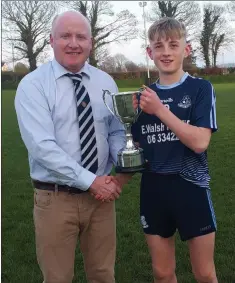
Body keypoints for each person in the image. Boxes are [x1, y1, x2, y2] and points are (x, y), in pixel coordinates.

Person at [14, 10, 126, 283]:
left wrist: (119, 174)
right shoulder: (33, 86)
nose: (73, 43)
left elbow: (116, 130)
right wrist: (92, 181)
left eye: (80, 36)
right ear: (52, 40)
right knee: (57, 278)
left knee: (103, 275)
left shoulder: (105, 82)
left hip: (100, 200)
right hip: (55, 199)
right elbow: (42, 147)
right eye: (65, 36)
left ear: (91, 42)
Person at [126, 17, 218, 283]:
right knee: (163, 273)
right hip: (154, 190)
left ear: (185, 50)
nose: (166, 52)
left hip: (192, 188)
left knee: (204, 273)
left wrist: (159, 110)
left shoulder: (200, 88)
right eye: (159, 45)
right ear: (149, 52)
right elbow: (136, 148)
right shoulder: (142, 97)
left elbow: (200, 142)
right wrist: (115, 181)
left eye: (173, 45)